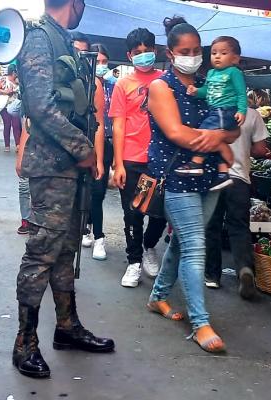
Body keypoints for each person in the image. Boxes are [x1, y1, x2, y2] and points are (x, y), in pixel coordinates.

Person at [13, 0, 114, 380]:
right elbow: (40, 105)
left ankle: (67, 326)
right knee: (41, 252)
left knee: (66, 249)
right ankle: (24, 343)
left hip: (70, 168)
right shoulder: (39, 37)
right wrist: (83, 148)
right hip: (54, 167)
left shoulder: (62, 39)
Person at [146, 16, 240, 353]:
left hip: (210, 177)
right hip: (177, 177)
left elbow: (234, 128)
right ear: (170, 54)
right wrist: (218, 138)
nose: (192, 55)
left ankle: (157, 297)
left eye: (196, 50)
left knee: (182, 243)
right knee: (195, 245)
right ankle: (200, 323)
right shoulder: (160, 87)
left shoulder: (212, 81)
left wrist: (217, 137)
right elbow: (176, 134)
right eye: (184, 50)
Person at [110, 27, 168, 287]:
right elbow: (118, 125)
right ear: (129, 55)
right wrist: (118, 163)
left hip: (160, 159)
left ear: (155, 51)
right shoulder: (124, 84)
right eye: (138, 52)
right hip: (132, 158)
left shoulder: (166, 80)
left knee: (160, 213)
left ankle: (149, 246)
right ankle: (133, 262)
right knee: (132, 213)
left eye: (147, 51)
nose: (143, 56)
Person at [205, 95, 269, 296]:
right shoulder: (251, 115)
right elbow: (260, 149)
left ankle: (212, 276)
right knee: (239, 227)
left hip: (214, 178)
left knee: (212, 226)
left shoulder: (209, 111)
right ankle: (244, 269)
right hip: (239, 179)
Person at [183, 36, 245, 191]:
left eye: (223, 53)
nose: (217, 56)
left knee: (204, 132)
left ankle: (197, 162)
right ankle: (223, 173)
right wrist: (196, 91)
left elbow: (241, 94)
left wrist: (242, 111)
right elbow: (207, 91)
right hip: (214, 111)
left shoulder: (234, 72)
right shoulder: (211, 73)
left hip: (225, 111)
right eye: (214, 53)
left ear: (235, 58)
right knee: (214, 142)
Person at [81, 43, 114, 260]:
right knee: (88, 190)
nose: (100, 65)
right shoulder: (82, 85)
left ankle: (98, 235)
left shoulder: (114, 85)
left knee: (99, 191)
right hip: (85, 143)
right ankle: (88, 229)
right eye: (97, 61)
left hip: (109, 144)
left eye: (104, 62)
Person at [0, 64, 21, 152]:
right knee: (7, 125)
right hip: (5, 106)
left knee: (16, 125)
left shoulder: (18, 81)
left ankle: (18, 144)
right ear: (13, 72)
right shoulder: (3, 79)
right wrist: (6, 92)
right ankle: (7, 145)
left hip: (15, 105)